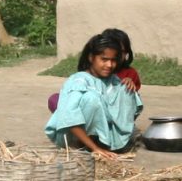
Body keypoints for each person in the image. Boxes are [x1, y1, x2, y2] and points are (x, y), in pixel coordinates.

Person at [47, 29, 144, 157]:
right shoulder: (79, 80)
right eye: (104, 59)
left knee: (126, 90)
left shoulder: (114, 80)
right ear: (91, 57)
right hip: (72, 138)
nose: (109, 65)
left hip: (100, 138)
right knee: (91, 98)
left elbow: (125, 108)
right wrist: (95, 149)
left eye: (113, 60)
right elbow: (69, 118)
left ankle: (113, 143)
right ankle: (84, 147)